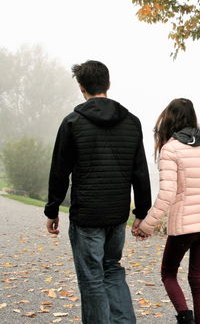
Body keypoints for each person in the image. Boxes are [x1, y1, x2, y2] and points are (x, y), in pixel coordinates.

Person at [44, 60, 151, 324]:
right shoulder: (132, 122)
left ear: (81, 88)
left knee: (92, 278)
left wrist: (52, 209)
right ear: (108, 84)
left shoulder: (72, 122)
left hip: (87, 216)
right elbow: (140, 171)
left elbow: (60, 171)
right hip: (117, 214)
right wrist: (142, 212)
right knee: (112, 270)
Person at [136, 98, 200, 324]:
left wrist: (146, 225)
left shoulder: (170, 149)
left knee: (168, 274)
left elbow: (167, 194)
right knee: (197, 279)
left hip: (184, 226)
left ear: (169, 119)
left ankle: (185, 317)